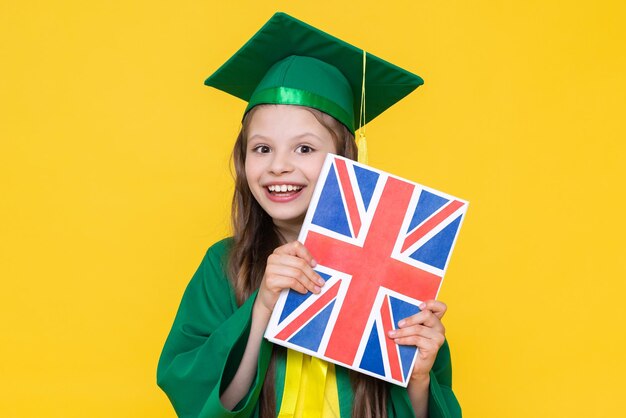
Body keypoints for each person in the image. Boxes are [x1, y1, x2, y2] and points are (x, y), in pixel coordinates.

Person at [157, 12, 462, 418]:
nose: (279, 166)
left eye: (304, 148)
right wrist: (263, 307)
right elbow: (202, 402)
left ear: (346, 158)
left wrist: (419, 378)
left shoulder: (397, 266)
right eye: (262, 148)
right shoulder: (225, 266)